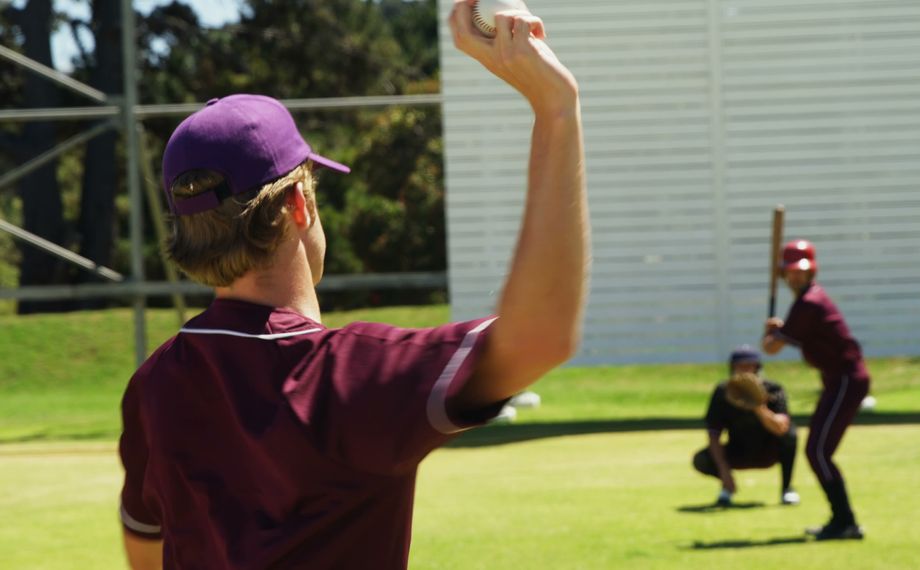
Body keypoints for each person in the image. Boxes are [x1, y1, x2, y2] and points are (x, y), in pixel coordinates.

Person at [118, 2, 589, 568]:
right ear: (299, 203)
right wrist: (556, 109)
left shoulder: (154, 388)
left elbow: (145, 549)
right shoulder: (347, 377)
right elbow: (541, 337)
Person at [762, 240, 869, 541]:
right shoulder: (807, 302)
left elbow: (770, 348)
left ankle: (845, 521)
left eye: (801, 272)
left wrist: (771, 333)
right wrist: (777, 330)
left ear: (812, 272)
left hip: (846, 380)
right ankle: (842, 520)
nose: (796, 277)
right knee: (818, 451)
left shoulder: (809, 302)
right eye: (791, 272)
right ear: (783, 274)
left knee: (818, 451)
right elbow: (790, 336)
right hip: (839, 381)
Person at [692, 346, 800, 507]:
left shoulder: (773, 389)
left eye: (750, 365)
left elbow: (781, 427)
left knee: (791, 436)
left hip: (768, 451)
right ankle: (727, 489)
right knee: (701, 459)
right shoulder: (723, 392)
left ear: (757, 367)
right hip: (739, 450)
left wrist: (758, 404)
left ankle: (787, 489)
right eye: (740, 366)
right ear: (732, 368)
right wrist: (724, 471)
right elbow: (713, 433)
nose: (745, 370)